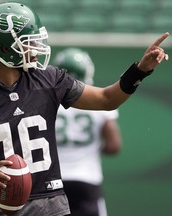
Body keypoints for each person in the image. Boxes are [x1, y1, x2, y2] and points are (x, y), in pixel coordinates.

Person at [0, 2, 169, 216]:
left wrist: (140, 70)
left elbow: (107, 99)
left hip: (52, 205)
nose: (36, 46)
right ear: (3, 48)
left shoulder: (50, 79)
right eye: (27, 41)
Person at [54, 48, 122, 216]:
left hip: (54, 180)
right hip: (87, 179)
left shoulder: (48, 101)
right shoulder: (97, 102)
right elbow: (114, 145)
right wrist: (93, 149)